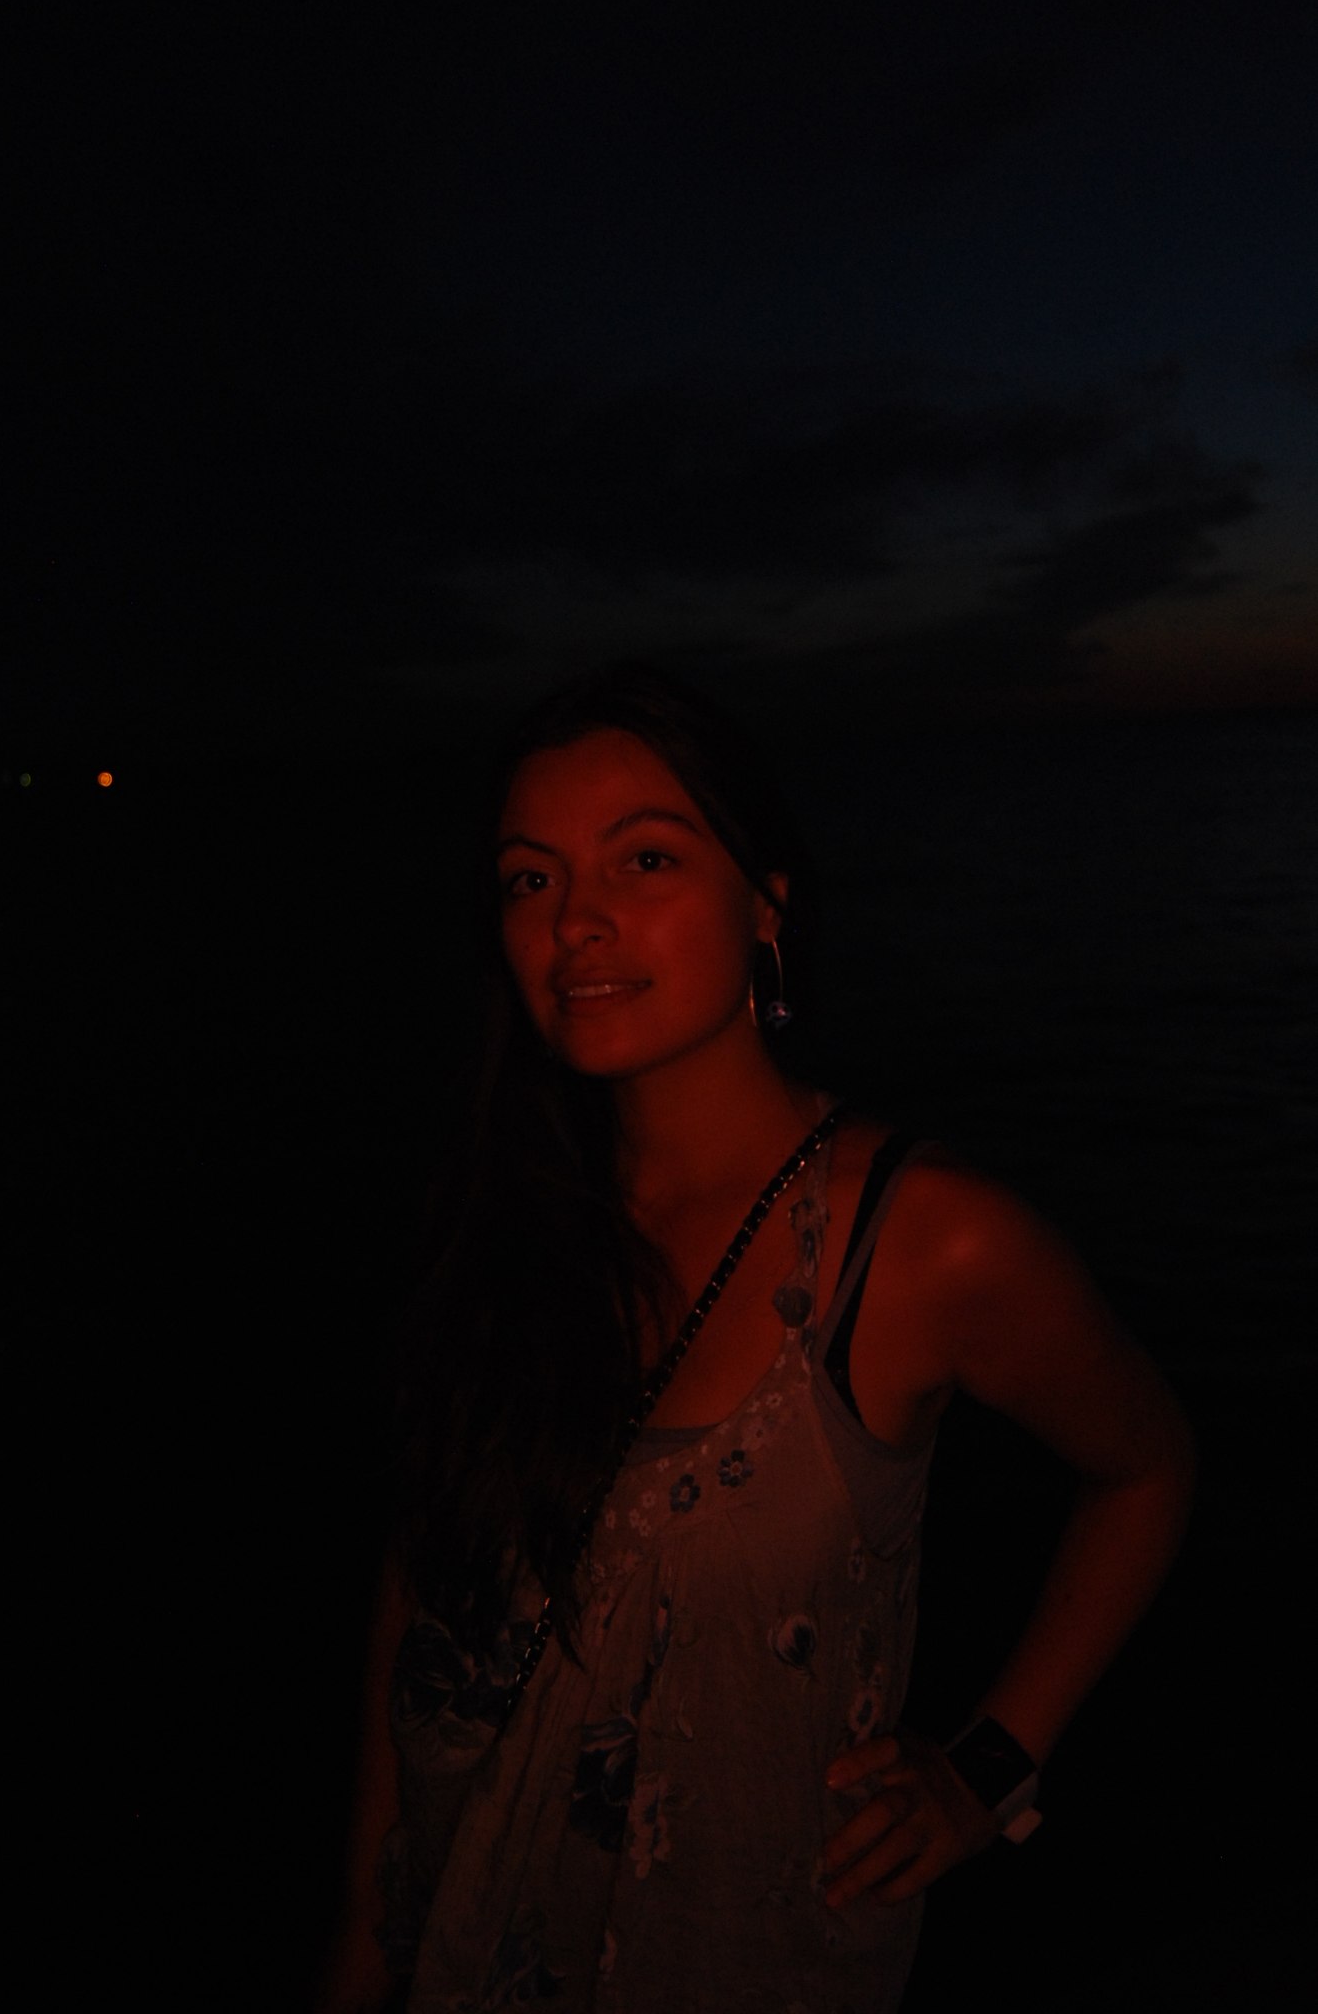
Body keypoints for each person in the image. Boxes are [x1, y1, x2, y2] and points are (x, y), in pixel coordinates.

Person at [316, 662, 1195, 2014]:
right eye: (531, 878)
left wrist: (988, 1768)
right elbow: (420, 1591)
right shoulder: (506, 1211)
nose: (577, 921)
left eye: (645, 859)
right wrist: (363, 1944)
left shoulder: (919, 1243)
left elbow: (1146, 1468)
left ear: (766, 907)